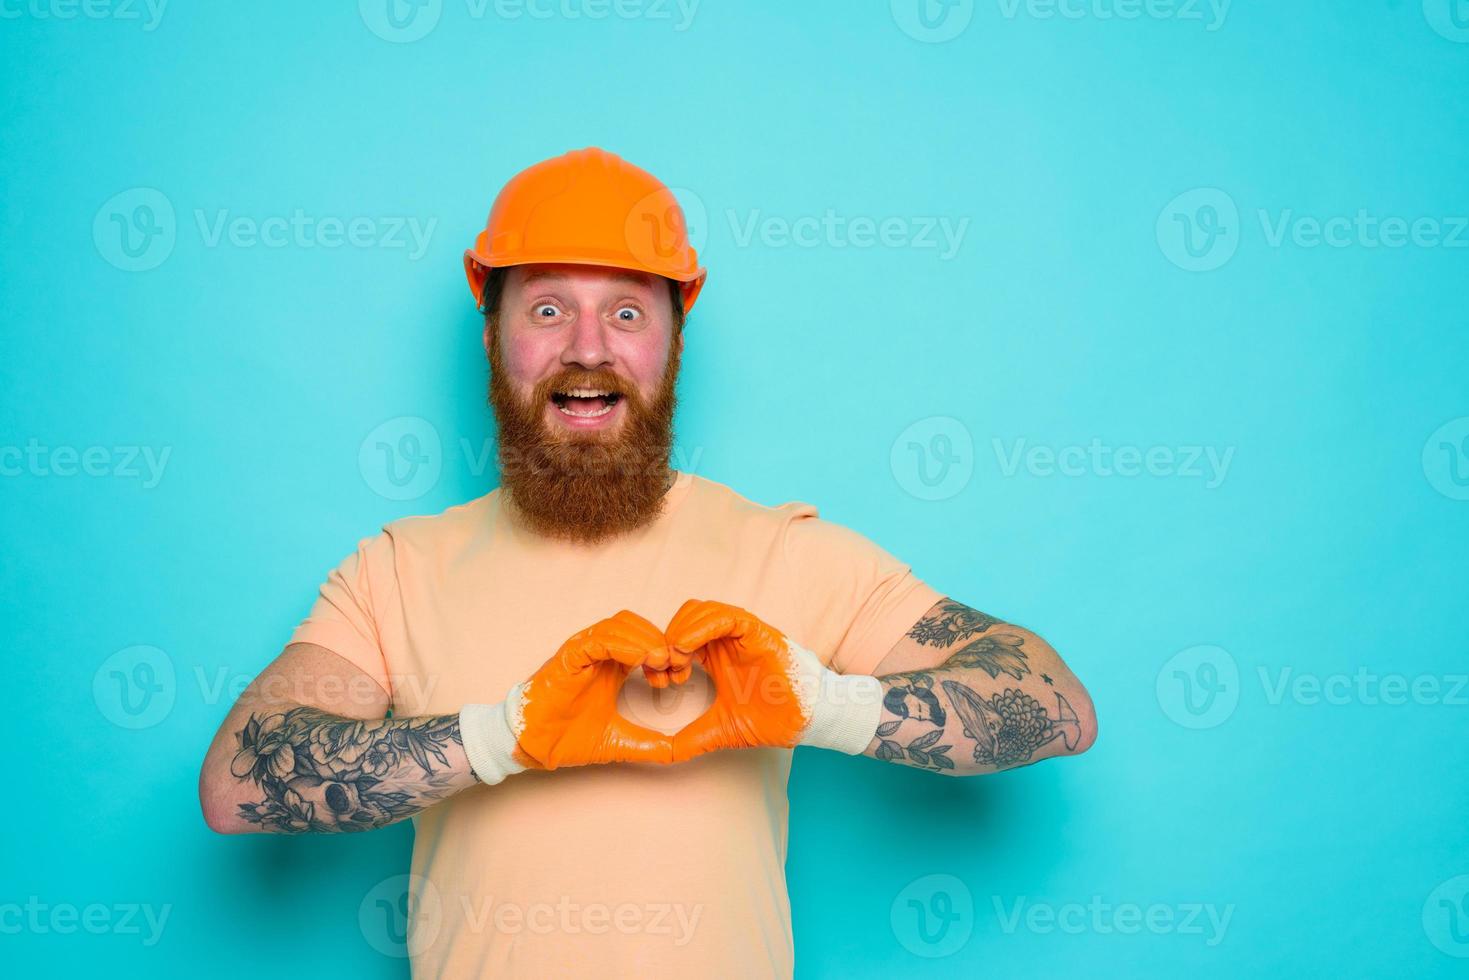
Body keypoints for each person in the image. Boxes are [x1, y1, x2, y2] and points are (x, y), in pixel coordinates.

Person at [196, 146, 1098, 978]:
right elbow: (240, 784)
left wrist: (829, 705)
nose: (588, 348)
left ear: (673, 341)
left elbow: (1056, 711)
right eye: (547, 309)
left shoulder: (787, 552)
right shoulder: (396, 570)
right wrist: (502, 737)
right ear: (489, 333)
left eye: (626, 312)